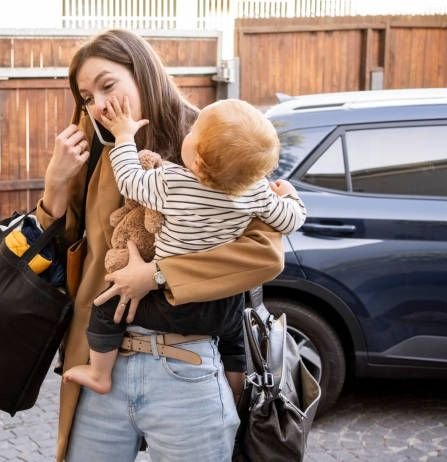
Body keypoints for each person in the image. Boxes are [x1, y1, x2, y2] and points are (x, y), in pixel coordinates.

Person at [37, 29, 289, 462]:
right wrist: (54, 186)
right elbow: (63, 253)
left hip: (184, 364)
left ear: (142, 72)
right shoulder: (96, 150)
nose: (98, 104)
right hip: (102, 359)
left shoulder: (209, 137)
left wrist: (156, 275)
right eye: (86, 96)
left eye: (108, 85)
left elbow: (265, 253)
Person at [61, 95, 306, 395]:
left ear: (198, 162)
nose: (187, 131)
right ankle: (235, 389)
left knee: (106, 305)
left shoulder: (173, 183)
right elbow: (290, 220)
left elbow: (129, 180)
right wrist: (290, 194)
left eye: (193, 131)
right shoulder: (257, 194)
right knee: (234, 338)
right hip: (219, 304)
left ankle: (100, 373)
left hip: (171, 302)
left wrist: (124, 135)